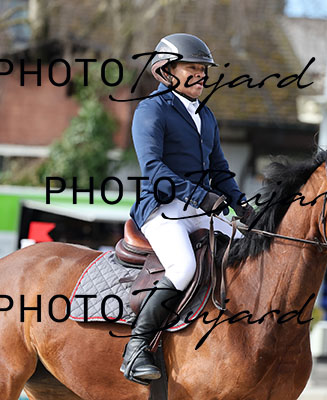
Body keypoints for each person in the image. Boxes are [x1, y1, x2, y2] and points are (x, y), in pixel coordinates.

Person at [121, 33, 253, 385]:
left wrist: (242, 205)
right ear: (166, 71)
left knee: (248, 251)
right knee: (183, 267)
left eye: (203, 69)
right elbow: (154, 168)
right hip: (160, 208)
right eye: (192, 68)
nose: (201, 75)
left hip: (198, 208)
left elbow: (220, 170)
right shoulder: (151, 109)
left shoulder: (205, 115)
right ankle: (136, 347)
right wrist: (202, 197)